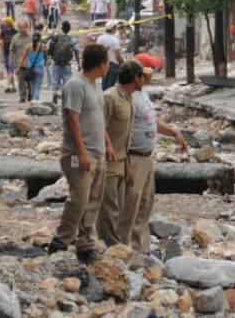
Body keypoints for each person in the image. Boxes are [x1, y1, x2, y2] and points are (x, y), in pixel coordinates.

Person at [47, 44, 111, 264]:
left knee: (93, 200)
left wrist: (108, 144)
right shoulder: (76, 85)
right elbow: (72, 119)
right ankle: (61, 240)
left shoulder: (95, 86)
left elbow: (98, 120)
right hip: (78, 154)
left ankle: (85, 244)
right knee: (79, 199)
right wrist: (82, 152)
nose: (109, 66)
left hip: (98, 152)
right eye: (107, 62)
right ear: (101, 63)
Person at [119, 66, 188, 252]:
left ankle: (140, 247)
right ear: (136, 77)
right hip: (134, 156)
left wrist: (173, 133)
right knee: (131, 204)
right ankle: (124, 247)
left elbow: (151, 123)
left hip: (147, 156)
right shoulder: (127, 99)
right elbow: (120, 132)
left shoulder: (143, 96)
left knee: (145, 203)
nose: (148, 78)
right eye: (144, 75)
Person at [98, 61, 137, 246]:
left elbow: (126, 136)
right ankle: (109, 246)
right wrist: (108, 146)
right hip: (108, 161)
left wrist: (127, 164)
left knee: (118, 207)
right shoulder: (109, 97)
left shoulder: (129, 98)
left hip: (121, 161)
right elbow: (98, 126)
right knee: (108, 207)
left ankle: (114, 244)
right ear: (135, 78)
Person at [49, 21, 79, 103]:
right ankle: (65, 98)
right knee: (67, 81)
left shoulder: (56, 37)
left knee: (55, 80)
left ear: (62, 28)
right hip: (67, 64)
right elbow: (76, 50)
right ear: (69, 29)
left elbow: (50, 47)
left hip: (56, 63)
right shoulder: (72, 38)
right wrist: (79, 63)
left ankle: (55, 93)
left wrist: (51, 56)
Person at [11, 20, 34, 103]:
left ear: (27, 27)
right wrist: (12, 62)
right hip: (19, 63)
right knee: (21, 81)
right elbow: (12, 50)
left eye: (24, 27)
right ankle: (22, 96)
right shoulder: (15, 38)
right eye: (20, 28)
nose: (22, 29)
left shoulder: (31, 37)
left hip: (30, 64)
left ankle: (31, 95)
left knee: (30, 82)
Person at [96, 23, 123, 91]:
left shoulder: (100, 38)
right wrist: (122, 63)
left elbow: (97, 51)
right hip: (113, 64)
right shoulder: (114, 40)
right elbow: (117, 55)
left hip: (103, 63)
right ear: (113, 29)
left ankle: (103, 99)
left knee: (104, 84)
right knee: (110, 86)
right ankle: (107, 100)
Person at [24, 33, 47, 102]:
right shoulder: (43, 46)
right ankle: (36, 98)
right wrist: (45, 63)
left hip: (30, 68)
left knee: (32, 85)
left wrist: (19, 67)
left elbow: (23, 57)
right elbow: (45, 57)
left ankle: (34, 98)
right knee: (38, 85)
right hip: (39, 67)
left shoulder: (28, 46)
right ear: (40, 39)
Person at [1, 17, 17, 94]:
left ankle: (8, 86)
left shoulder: (15, 32)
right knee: (9, 70)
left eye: (5, 22)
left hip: (12, 53)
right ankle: (13, 86)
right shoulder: (3, 31)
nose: (4, 23)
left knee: (10, 69)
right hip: (5, 52)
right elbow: (2, 42)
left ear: (8, 23)